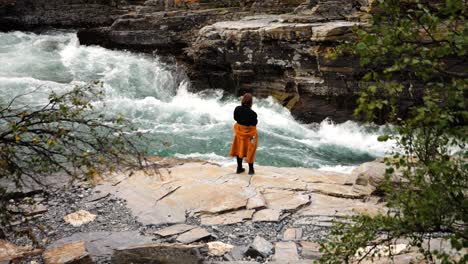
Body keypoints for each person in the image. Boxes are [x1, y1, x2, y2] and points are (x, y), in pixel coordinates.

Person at [229, 93, 258, 175]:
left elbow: (235, 118)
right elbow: (254, 123)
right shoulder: (253, 113)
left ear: (243, 100)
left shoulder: (237, 109)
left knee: (239, 149)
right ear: (251, 102)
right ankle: (251, 170)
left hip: (239, 133)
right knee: (250, 150)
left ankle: (239, 168)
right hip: (250, 135)